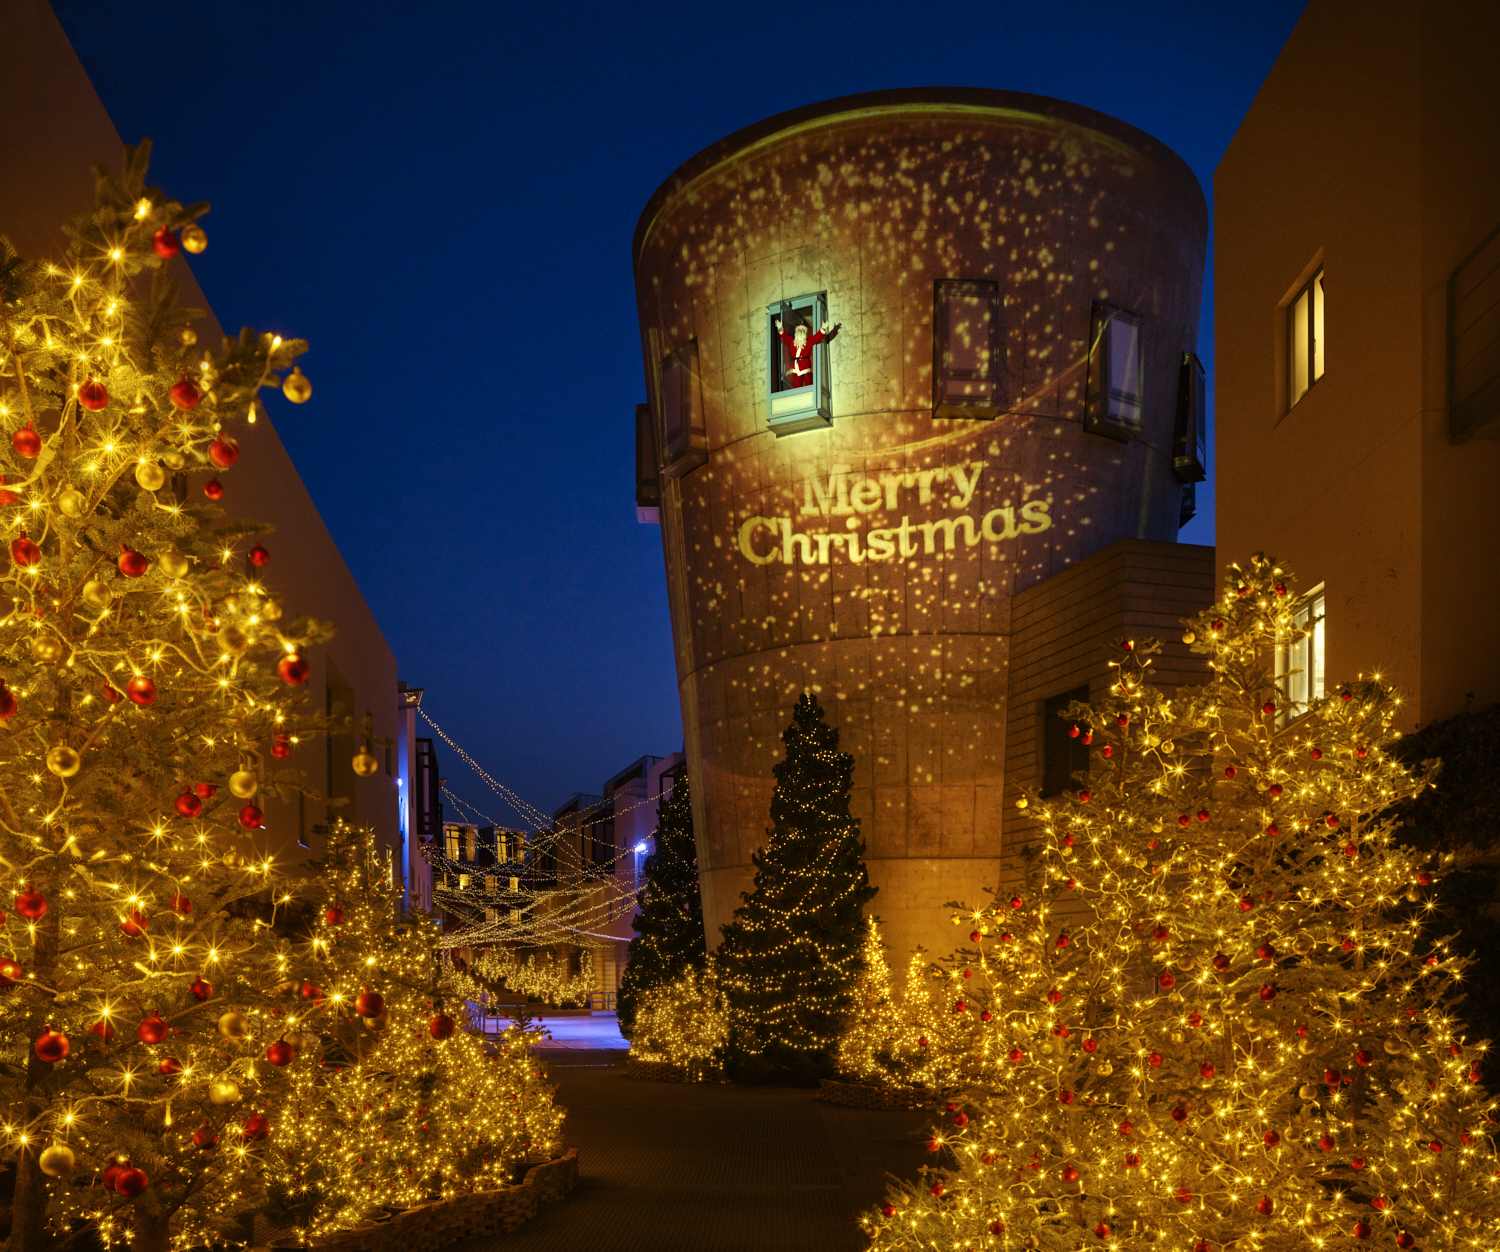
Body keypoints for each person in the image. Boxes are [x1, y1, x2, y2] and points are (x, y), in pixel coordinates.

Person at [775, 315, 841, 388]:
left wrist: (823, 328)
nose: (801, 332)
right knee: (797, 384)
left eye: (802, 331)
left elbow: (816, 337)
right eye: (799, 331)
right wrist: (780, 328)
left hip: (805, 365)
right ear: (796, 332)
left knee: (808, 382)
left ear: (805, 333)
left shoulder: (808, 341)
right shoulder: (792, 341)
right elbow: (785, 337)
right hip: (796, 366)